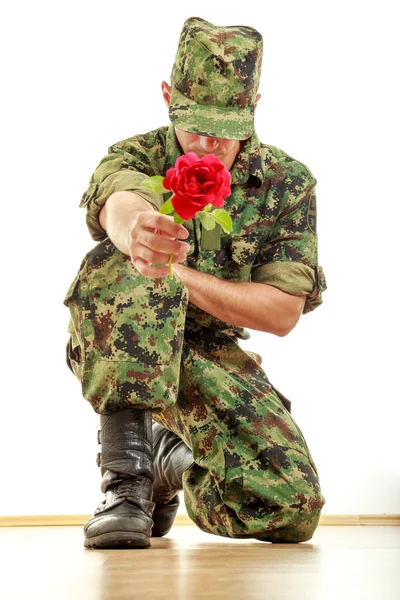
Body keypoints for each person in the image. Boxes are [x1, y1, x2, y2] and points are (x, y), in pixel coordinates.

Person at [64, 16, 327, 550]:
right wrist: (136, 229)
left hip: (208, 352)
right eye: (193, 122)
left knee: (290, 506)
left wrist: (177, 273)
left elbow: (281, 313)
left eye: (224, 126)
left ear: (253, 108)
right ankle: (127, 483)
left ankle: (169, 462)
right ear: (167, 97)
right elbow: (118, 198)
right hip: (128, 338)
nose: (207, 141)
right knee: (118, 263)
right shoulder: (137, 154)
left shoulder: (288, 184)